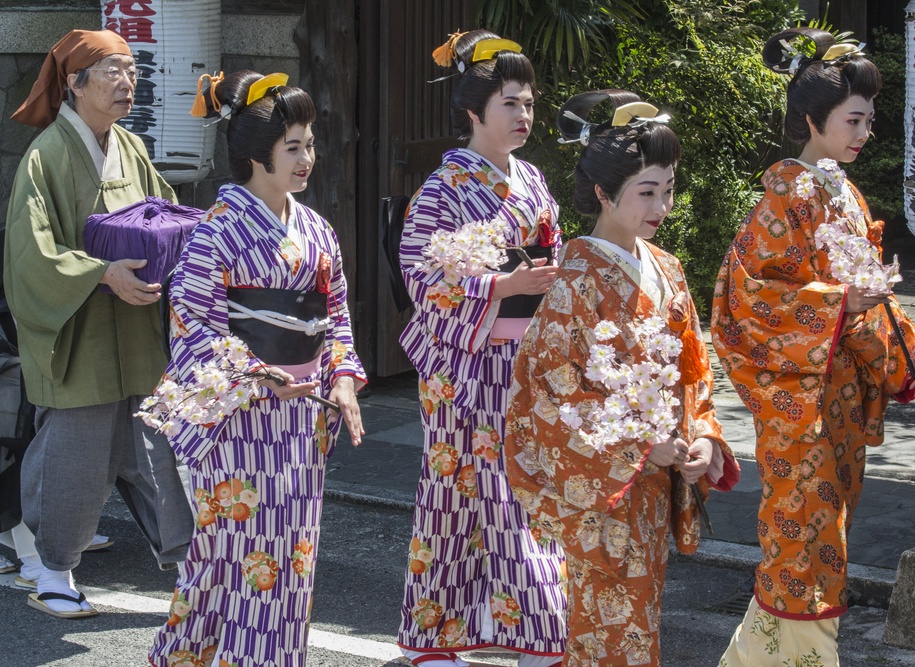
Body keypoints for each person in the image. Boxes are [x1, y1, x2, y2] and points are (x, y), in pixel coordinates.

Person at [711, 28, 915, 665]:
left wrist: (904, 358)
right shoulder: (785, 195)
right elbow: (750, 299)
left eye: (869, 119)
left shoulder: (842, 189)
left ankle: (755, 659)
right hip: (797, 399)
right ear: (813, 120)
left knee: (826, 526)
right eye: (854, 119)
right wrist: (836, 304)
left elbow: (872, 295)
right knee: (801, 534)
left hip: (836, 390)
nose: (864, 132)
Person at [504, 90, 741, 667]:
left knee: (641, 618)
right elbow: (553, 393)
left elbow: (693, 370)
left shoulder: (668, 269)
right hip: (604, 484)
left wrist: (700, 435)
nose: (661, 205)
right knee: (610, 624)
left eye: (668, 189)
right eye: (647, 191)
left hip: (656, 475)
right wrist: (641, 443)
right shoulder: (576, 281)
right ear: (605, 193)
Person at [148, 69, 366, 667]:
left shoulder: (317, 231)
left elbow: (337, 316)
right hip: (240, 420)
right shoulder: (214, 235)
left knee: (288, 555)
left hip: (299, 419)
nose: (306, 159)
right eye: (292, 147)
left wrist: (342, 378)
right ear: (253, 154)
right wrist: (256, 373)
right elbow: (195, 331)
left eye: (310, 145)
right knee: (244, 555)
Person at [4, 28, 193, 618]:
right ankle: (54, 569)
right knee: (76, 451)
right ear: (75, 83)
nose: (127, 83)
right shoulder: (46, 155)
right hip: (80, 329)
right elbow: (32, 253)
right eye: (112, 71)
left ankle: (192, 564)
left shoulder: (130, 146)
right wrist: (103, 274)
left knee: (159, 442)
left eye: (131, 71)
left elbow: (161, 211)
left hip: (137, 328)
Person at [396, 29, 565, 667]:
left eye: (528, 103)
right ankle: (435, 639)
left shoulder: (534, 181)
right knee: (453, 496)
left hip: (526, 363)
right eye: (510, 105)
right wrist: (500, 284)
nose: (524, 116)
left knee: (522, 492)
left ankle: (535, 631)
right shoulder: (442, 189)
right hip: (466, 363)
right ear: (473, 113)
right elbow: (421, 275)